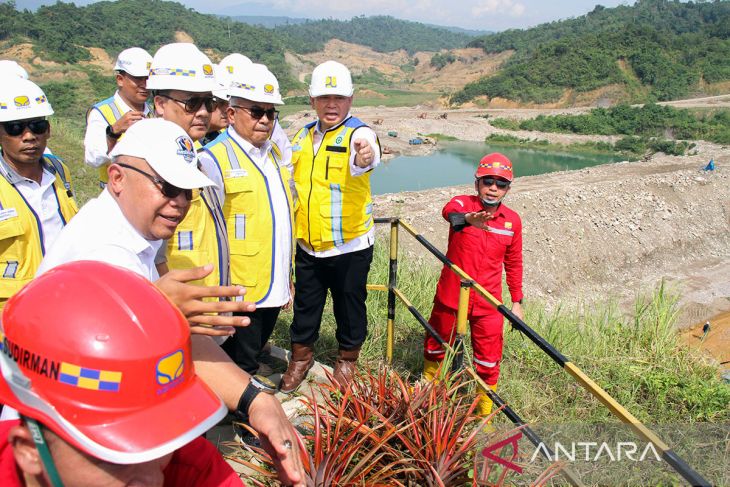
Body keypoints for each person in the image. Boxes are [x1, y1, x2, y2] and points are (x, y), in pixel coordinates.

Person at [35, 118, 305, 485]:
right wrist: (154, 310)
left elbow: (176, 336)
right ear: (117, 178)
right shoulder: (104, 253)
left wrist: (257, 400)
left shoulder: (134, 230)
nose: (179, 203)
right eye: (167, 187)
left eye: (188, 192)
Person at [0, 260, 242, 486]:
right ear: (29, 449)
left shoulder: (194, 468)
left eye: (161, 440)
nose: (153, 478)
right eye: (114, 458)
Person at [280, 60, 381, 392]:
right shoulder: (303, 135)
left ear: (351, 100)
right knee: (307, 305)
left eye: (338, 97)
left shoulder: (359, 134)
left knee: (349, 305)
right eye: (324, 98)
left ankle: (347, 359)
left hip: (349, 244)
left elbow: (367, 155)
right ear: (312, 101)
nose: (331, 104)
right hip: (309, 243)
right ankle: (300, 358)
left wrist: (366, 157)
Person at [201, 62, 294, 377]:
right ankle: (236, 409)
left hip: (271, 274)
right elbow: (207, 230)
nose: (265, 120)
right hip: (239, 284)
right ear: (230, 113)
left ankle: (248, 380)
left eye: (271, 113)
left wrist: (287, 273)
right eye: (256, 111)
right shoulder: (213, 159)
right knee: (235, 356)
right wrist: (218, 289)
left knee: (252, 347)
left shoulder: (273, 154)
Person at [422, 152, 524, 418]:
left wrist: (517, 301)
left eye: (500, 184)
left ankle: (483, 413)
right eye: (487, 181)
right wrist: (468, 219)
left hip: (488, 301)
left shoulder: (512, 221)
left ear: (507, 189)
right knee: (436, 342)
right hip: (451, 294)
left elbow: (513, 262)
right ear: (477, 182)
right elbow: (449, 212)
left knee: (488, 358)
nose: (493, 188)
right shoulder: (462, 203)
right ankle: (427, 387)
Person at [147, 43, 229, 291]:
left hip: (208, 302)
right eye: (192, 103)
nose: (204, 112)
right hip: (179, 308)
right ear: (160, 104)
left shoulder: (200, 158)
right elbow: (151, 254)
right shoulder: (147, 166)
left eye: (209, 102)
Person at [0, 76, 77, 310]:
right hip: (12, 313)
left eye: (37, 126)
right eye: (15, 128)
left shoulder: (59, 171)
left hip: (64, 299)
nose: (29, 136)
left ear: (48, 130)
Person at [84, 47, 153, 187]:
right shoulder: (102, 112)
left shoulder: (154, 112)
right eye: (138, 79)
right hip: (117, 196)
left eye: (148, 78)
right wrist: (113, 132)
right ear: (120, 79)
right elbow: (92, 159)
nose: (145, 85)